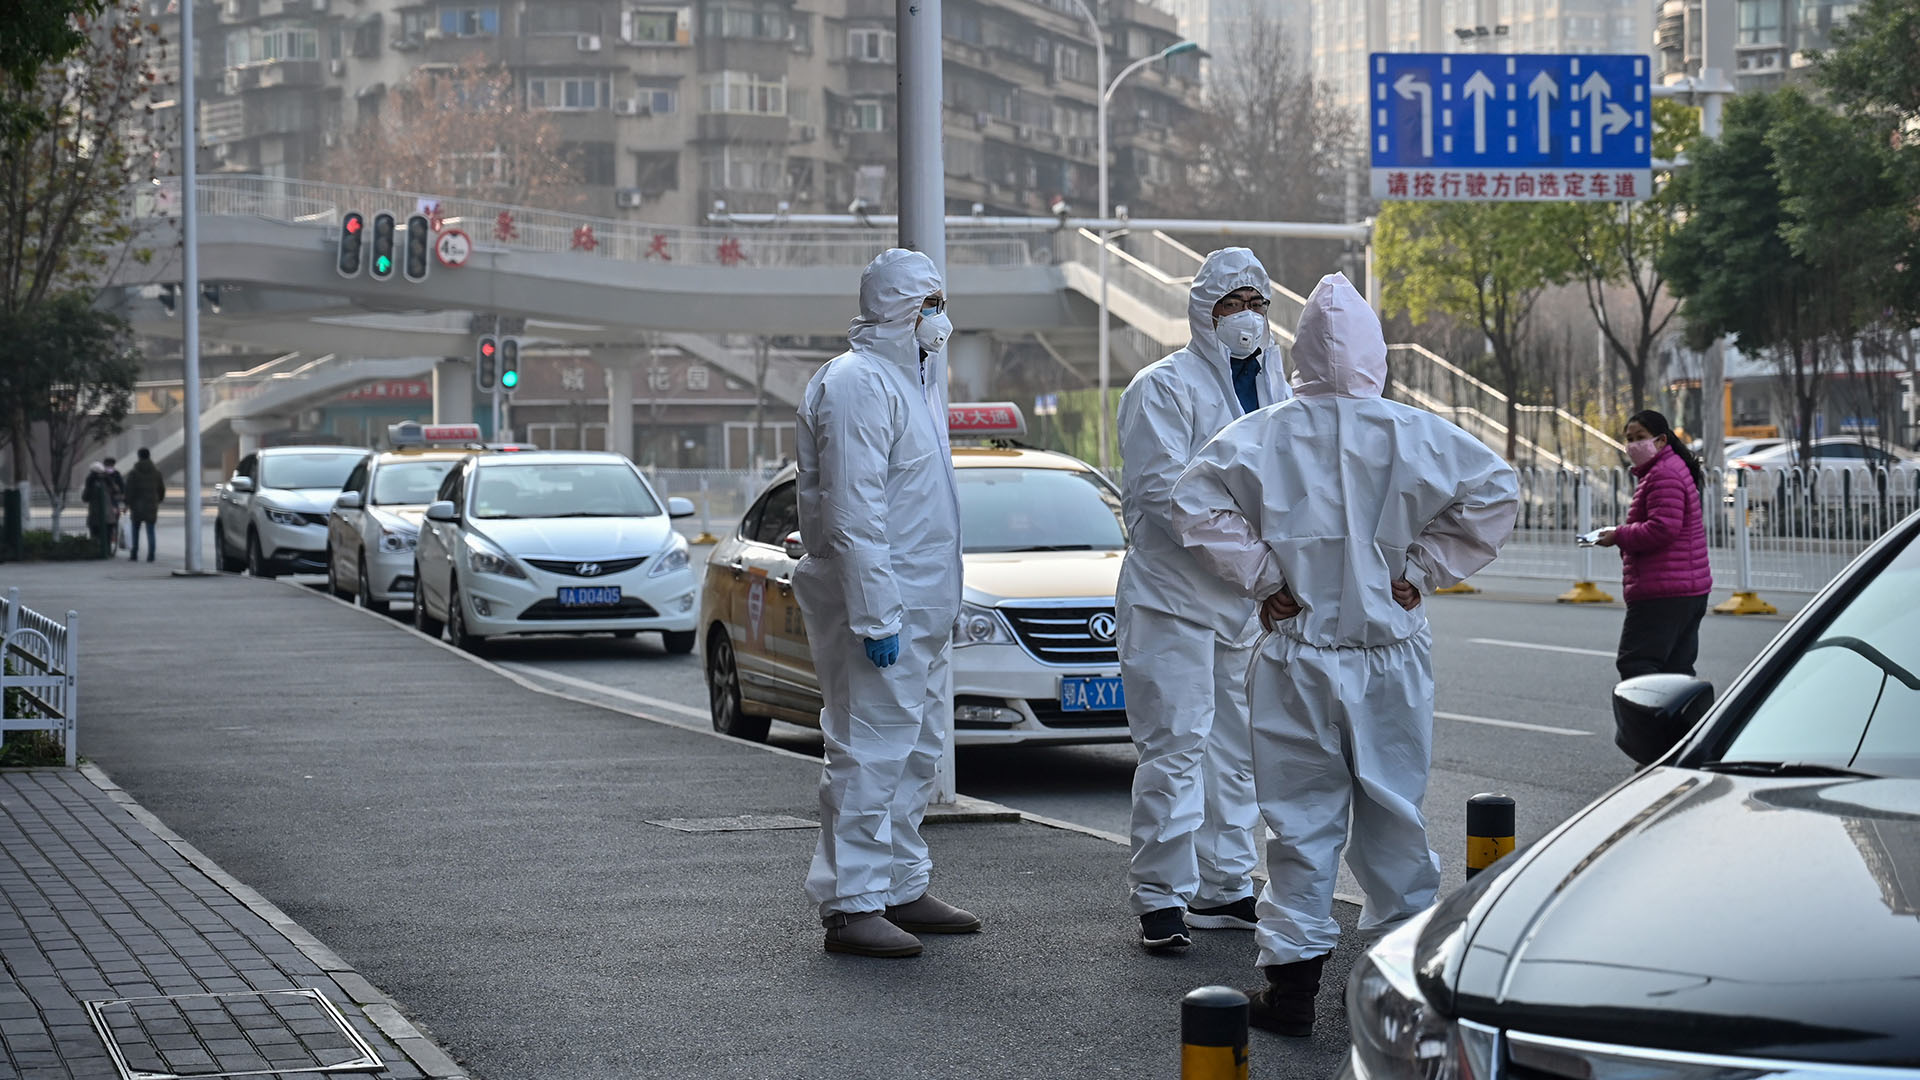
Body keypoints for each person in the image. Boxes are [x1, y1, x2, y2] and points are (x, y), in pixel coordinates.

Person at [1171, 272, 1519, 1036]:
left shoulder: (1260, 432)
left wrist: (1264, 577)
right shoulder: (1418, 432)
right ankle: (1406, 995)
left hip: (1296, 653)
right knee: (1394, 818)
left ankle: (1290, 989)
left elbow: (1193, 504)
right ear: (1375, 354)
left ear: (1299, 355)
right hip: (1389, 652)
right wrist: (1419, 570)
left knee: (1299, 823)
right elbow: (1497, 491)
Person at [790, 248, 980, 958]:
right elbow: (854, 510)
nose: (940, 316)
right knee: (869, 753)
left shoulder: (915, 381)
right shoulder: (858, 383)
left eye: (941, 300)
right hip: (881, 611)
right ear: (899, 311)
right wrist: (875, 614)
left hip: (920, 609)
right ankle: (853, 902)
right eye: (928, 304)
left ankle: (900, 884)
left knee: (916, 751)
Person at [1115, 247, 1290, 952]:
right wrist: (1259, 565)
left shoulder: (1275, 387)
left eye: (1256, 304)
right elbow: (1166, 497)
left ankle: (1226, 886)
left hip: (1240, 605)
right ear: (1201, 314)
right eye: (1230, 305)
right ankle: (1161, 896)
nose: (1245, 318)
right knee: (1176, 747)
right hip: (1172, 602)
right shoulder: (1163, 389)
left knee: (1237, 753)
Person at [1594, 409, 1712, 680]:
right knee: (1676, 672)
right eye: (1629, 438)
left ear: (1661, 440)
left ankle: (1644, 724)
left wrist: (1619, 535)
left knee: (1637, 666)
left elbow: (1662, 528)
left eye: (1641, 437)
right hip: (1685, 589)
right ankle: (1683, 725)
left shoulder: (1663, 475)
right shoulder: (1667, 470)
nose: (1634, 445)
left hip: (1664, 590)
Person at [124, 447, 166, 562]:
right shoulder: (156, 473)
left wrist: (127, 503)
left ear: (139, 456)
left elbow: (129, 490)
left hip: (137, 506)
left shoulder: (134, 473)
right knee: (150, 531)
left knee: (135, 531)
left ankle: (134, 554)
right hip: (151, 505)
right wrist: (158, 500)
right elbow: (161, 489)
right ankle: (151, 555)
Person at [82, 462, 117, 558]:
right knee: (108, 535)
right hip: (108, 515)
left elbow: (85, 498)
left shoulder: (91, 482)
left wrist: (88, 484)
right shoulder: (107, 481)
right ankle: (107, 552)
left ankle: (96, 551)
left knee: (95, 534)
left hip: (95, 514)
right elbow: (116, 490)